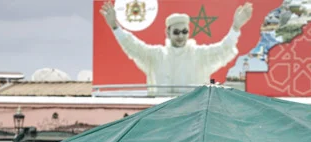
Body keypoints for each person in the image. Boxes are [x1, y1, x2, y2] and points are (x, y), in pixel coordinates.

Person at [100, 1, 253, 94]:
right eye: (177, 32)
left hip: (192, 115)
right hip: (162, 114)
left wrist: (235, 27)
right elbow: (133, 46)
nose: (181, 36)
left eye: (185, 31)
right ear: (168, 32)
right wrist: (115, 27)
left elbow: (223, 49)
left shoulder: (199, 55)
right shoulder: (157, 55)